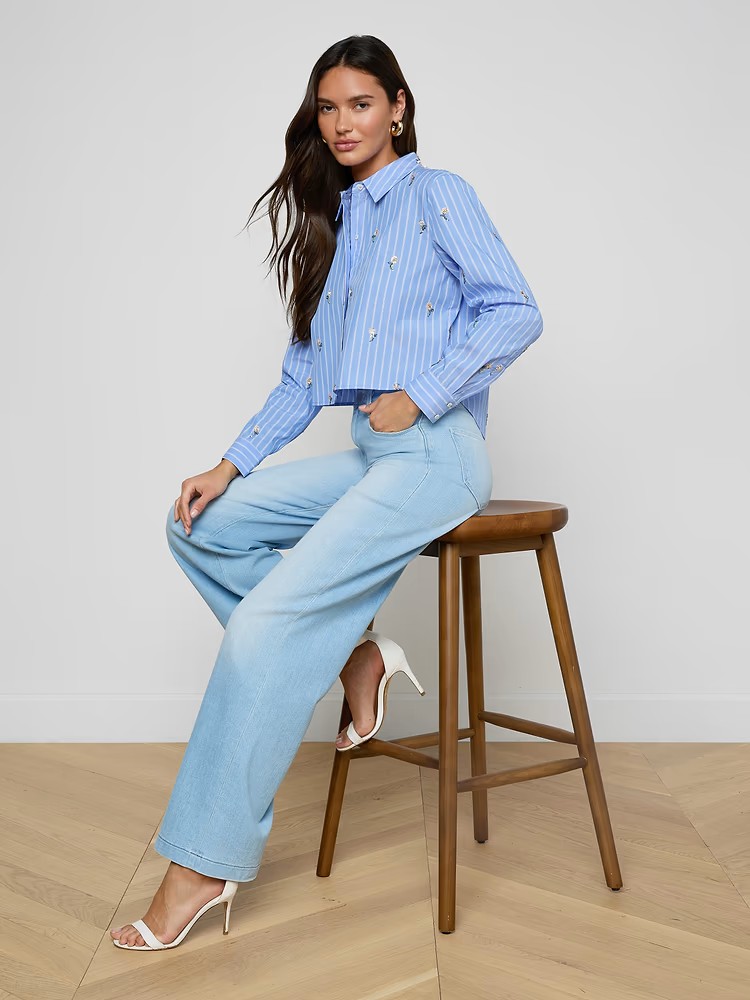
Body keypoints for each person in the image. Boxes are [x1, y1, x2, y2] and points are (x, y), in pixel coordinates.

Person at [110, 33, 542, 951]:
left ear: (398, 109)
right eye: (328, 108)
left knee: (265, 630)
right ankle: (355, 655)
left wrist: (422, 392)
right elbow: (305, 379)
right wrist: (228, 465)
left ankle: (202, 865)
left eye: (360, 104)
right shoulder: (335, 226)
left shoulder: (438, 194)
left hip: (437, 454)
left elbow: (516, 309)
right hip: (375, 454)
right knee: (201, 525)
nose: (342, 123)